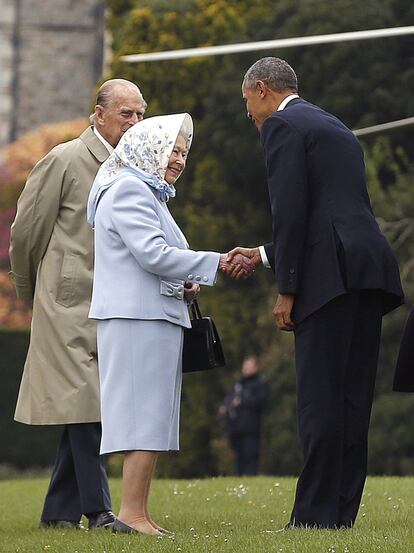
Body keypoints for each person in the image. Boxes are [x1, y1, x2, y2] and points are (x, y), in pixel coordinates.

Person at [228, 57, 404, 529]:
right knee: (352, 400)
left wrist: (287, 288)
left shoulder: (282, 126)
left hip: (327, 280)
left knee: (320, 402)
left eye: (249, 105)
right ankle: (341, 512)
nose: (251, 117)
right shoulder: (334, 126)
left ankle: (312, 517)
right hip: (367, 271)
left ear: (262, 89)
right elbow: (332, 212)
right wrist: (266, 255)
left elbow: (292, 212)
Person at [87, 112, 252, 536]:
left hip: (150, 315)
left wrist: (186, 281)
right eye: (172, 150)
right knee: (142, 414)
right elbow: (153, 254)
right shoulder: (128, 190)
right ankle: (131, 514)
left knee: (152, 414)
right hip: (136, 318)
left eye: (184, 152)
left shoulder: (146, 192)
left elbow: (151, 261)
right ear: (148, 147)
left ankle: (136, 512)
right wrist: (213, 262)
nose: (179, 159)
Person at [9, 79, 147, 530]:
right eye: (126, 113)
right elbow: (25, 234)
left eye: (140, 114)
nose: (135, 122)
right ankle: (99, 509)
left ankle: (58, 514)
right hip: (67, 305)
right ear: (99, 114)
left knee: (89, 405)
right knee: (89, 407)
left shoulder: (135, 168)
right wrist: (34, 296)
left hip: (113, 303)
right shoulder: (64, 160)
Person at [218, 355, 268, 476]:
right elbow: (230, 398)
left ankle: (250, 478)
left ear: (256, 367)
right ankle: (240, 478)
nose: (246, 369)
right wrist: (225, 408)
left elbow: (261, 401)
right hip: (235, 427)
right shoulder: (239, 383)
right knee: (238, 456)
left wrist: (243, 401)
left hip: (251, 427)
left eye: (249, 366)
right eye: (245, 366)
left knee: (250, 455)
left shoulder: (260, 382)